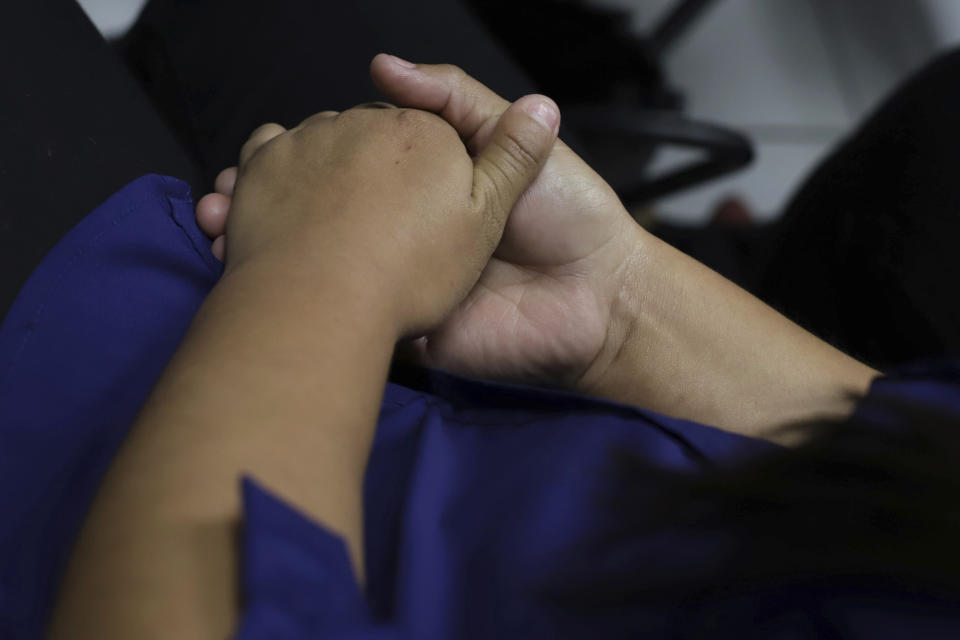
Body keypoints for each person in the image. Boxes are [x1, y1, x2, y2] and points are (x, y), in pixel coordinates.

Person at [1, 2, 958, 639]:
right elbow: (909, 466)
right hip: (378, 392)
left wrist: (327, 267)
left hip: (83, 466)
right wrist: (615, 297)